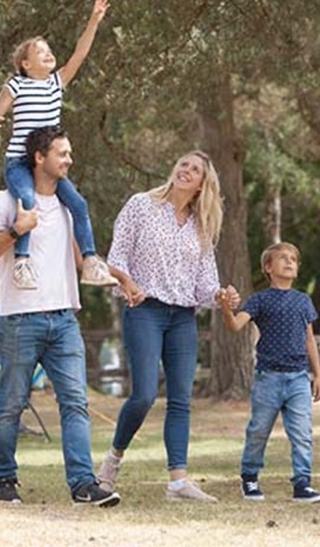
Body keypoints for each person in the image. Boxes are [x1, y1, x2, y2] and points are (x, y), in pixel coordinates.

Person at [0, 126, 120, 508]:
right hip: (20, 319)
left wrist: (123, 280)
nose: (69, 159)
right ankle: (3, 480)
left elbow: (77, 260)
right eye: (62, 153)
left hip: (65, 318)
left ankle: (83, 485)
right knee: (12, 403)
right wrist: (16, 230)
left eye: (70, 153)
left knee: (75, 403)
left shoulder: (70, 208)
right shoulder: (5, 201)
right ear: (39, 158)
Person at [94, 151, 233, 502]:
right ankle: (112, 462)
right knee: (143, 395)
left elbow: (205, 285)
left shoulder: (202, 227)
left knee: (181, 400)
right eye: (183, 164)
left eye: (195, 169)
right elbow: (116, 258)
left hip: (183, 318)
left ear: (204, 184)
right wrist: (127, 283)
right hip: (145, 310)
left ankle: (178, 482)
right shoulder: (142, 205)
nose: (186, 170)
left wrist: (221, 295)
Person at [0, 0, 116, 291]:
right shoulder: (16, 84)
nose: (48, 54)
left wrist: (94, 19)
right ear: (25, 63)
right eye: (40, 52)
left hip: (50, 166)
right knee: (28, 203)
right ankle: (22, 262)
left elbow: (79, 55)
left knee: (79, 205)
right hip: (20, 161)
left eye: (49, 51)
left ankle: (91, 262)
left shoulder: (57, 83)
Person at [217, 242, 320, 504]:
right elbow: (235, 326)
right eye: (283, 258)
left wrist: (318, 375)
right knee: (259, 430)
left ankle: (303, 484)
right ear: (268, 267)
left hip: (299, 378)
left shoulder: (303, 301)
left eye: (293, 259)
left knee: (302, 432)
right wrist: (225, 308)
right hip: (269, 377)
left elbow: (309, 340)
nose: (289, 262)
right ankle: (250, 477)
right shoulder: (259, 300)